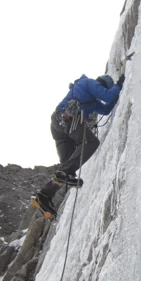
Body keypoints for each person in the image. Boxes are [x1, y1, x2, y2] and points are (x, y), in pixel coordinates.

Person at [31, 73, 124, 219]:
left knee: (67, 169)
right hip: (67, 118)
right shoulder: (88, 83)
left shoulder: (91, 100)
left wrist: (118, 93)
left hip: (59, 126)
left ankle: (44, 195)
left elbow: (106, 110)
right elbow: (107, 96)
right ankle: (60, 178)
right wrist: (118, 86)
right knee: (91, 142)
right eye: (102, 88)